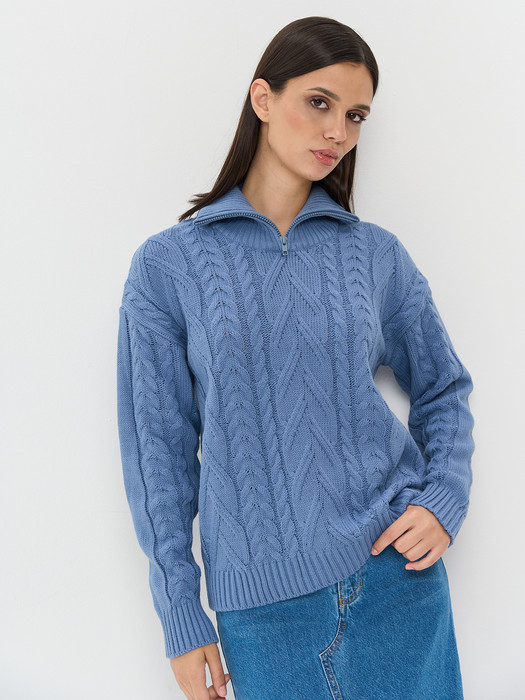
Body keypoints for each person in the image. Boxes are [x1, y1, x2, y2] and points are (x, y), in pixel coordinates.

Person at [116, 15, 475, 700]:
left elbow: (443, 388)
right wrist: (180, 614)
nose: (337, 131)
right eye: (319, 102)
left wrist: (443, 498)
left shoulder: (375, 255)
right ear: (262, 99)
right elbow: (156, 455)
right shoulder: (167, 267)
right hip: (263, 612)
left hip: (398, 583)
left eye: (355, 115)